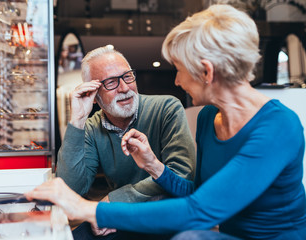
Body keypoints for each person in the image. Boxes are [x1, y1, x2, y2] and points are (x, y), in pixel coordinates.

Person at [26, 4, 306, 240]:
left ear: (206, 72)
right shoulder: (210, 117)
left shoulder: (279, 127)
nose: (177, 81)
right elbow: (195, 191)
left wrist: (90, 209)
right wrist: (154, 166)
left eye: (180, 70)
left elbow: (199, 210)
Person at [56, 45, 196, 237]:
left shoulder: (167, 108)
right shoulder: (91, 127)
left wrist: (115, 201)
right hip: (123, 218)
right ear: (94, 96)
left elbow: (182, 174)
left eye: (127, 76)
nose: (125, 88)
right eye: (111, 82)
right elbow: (71, 189)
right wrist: (77, 120)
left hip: (165, 216)